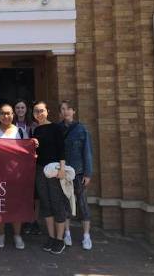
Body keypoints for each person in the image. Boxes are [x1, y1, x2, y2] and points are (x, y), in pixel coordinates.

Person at [0, 104, 25, 250]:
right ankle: (1, 234)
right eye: (2, 113)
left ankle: (17, 235)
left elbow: (26, 152)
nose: (5, 116)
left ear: (13, 115)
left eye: (8, 113)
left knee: (16, 206)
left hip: (16, 176)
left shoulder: (20, 132)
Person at [31, 100, 67, 255]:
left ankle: (60, 239)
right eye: (36, 111)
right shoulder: (36, 130)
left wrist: (62, 169)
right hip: (40, 170)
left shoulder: (56, 128)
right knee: (45, 202)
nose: (39, 114)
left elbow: (62, 149)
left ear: (47, 111)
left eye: (41, 110)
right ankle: (51, 237)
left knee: (57, 202)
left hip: (54, 170)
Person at [59, 100, 93, 250]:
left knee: (82, 204)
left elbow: (87, 152)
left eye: (68, 109)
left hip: (79, 172)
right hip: (64, 173)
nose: (65, 112)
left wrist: (88, 173)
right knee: (65, 204)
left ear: (74, 111)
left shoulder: (81, 130)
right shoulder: (58, 129)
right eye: (62, 109)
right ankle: (67, 233)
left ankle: (86, 236)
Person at [14, 99, 42, 236]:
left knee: (34, 194)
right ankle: (21, 219)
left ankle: (34, 221)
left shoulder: (33, 125)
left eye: (22, 107)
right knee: (21, 192)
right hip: (16, 165)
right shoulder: (10, 125)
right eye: (18, 107)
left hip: (32, 163)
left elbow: (39, 143)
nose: (20, 110)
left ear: (26, 110)